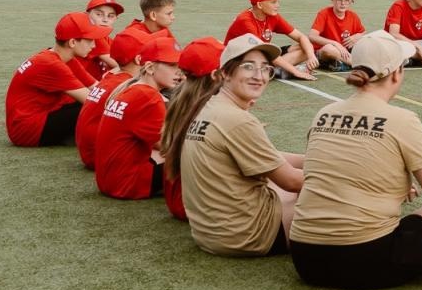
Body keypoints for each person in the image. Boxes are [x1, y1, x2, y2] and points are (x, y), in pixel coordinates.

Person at [289, 32, 422, 290]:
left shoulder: (323, 113)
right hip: (366, 259)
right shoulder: (401, 119)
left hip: (305, 258)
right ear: (396, 73)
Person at [179, 34, 306, 257]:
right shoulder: (237, 120)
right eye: (248, 67)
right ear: (225, 73)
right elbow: (292, 182)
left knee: (283, 187)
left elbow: (270, 157)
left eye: (265, 68)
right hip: (248, 235)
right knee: (345, 201)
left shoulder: (210, 107)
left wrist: (317, 160)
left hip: (210, 232)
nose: (259, 76)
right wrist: (349, 175)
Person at [94, 37, 185, 201]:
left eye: (179, 65)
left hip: (110, 180)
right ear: (149, 68)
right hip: (128, 184)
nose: (179, 72)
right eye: (172, 65)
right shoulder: (147, 96)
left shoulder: (132, 88)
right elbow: (169, 146)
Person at [5, 12, 112, 147]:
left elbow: (97, 87)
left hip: (40, 116)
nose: (94, 46)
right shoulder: (52, 64)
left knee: (94, 105)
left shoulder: (64, 58)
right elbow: (93, 101)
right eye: (90, 40)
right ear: (72, 42)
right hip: (27, 130)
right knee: (95, 108)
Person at [158, 37, 227, 222]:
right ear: (216, 75)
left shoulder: (180, 100)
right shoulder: (213, 111)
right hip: (199, 205)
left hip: (178, 199)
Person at [77, 26, 152, 170]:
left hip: (91, 152)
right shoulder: (129, 86)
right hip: (103, 157)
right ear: (138, 59)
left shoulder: (112, 76)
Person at [225, 0, 320, 81]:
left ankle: (277, 70)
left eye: (277, 1)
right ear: (260, 5)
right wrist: (296, 72)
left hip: (262, 55)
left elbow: (301, 37)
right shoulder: (245, 21)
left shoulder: (272, 16)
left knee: (306, 47)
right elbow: (265, 52)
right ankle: (277, 71)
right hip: (239, 61)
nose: (278, 5)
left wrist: (311, 56)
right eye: (273, 2)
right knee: (261, 64)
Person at [306, 0, 366, 71]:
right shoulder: (324, 14)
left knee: (367, 44)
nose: (343, 3)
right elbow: (312, 36)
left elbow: (363, 32)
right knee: (328, 49)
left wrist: (357, 36)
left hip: (345, 52)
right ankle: (359, 65)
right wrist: (335, 43)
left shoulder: (353, 16)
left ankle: (342, 63)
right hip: (324, 53)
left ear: (351, 1)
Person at [72, 0, 126, 83]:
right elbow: (122, 66)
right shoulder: (94, 38)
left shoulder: (108, 39)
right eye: (99, 14)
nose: (105, 20)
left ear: (116, 18)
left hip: (90, 85)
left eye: (110, 16)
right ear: (87, 15)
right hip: (80, 87)